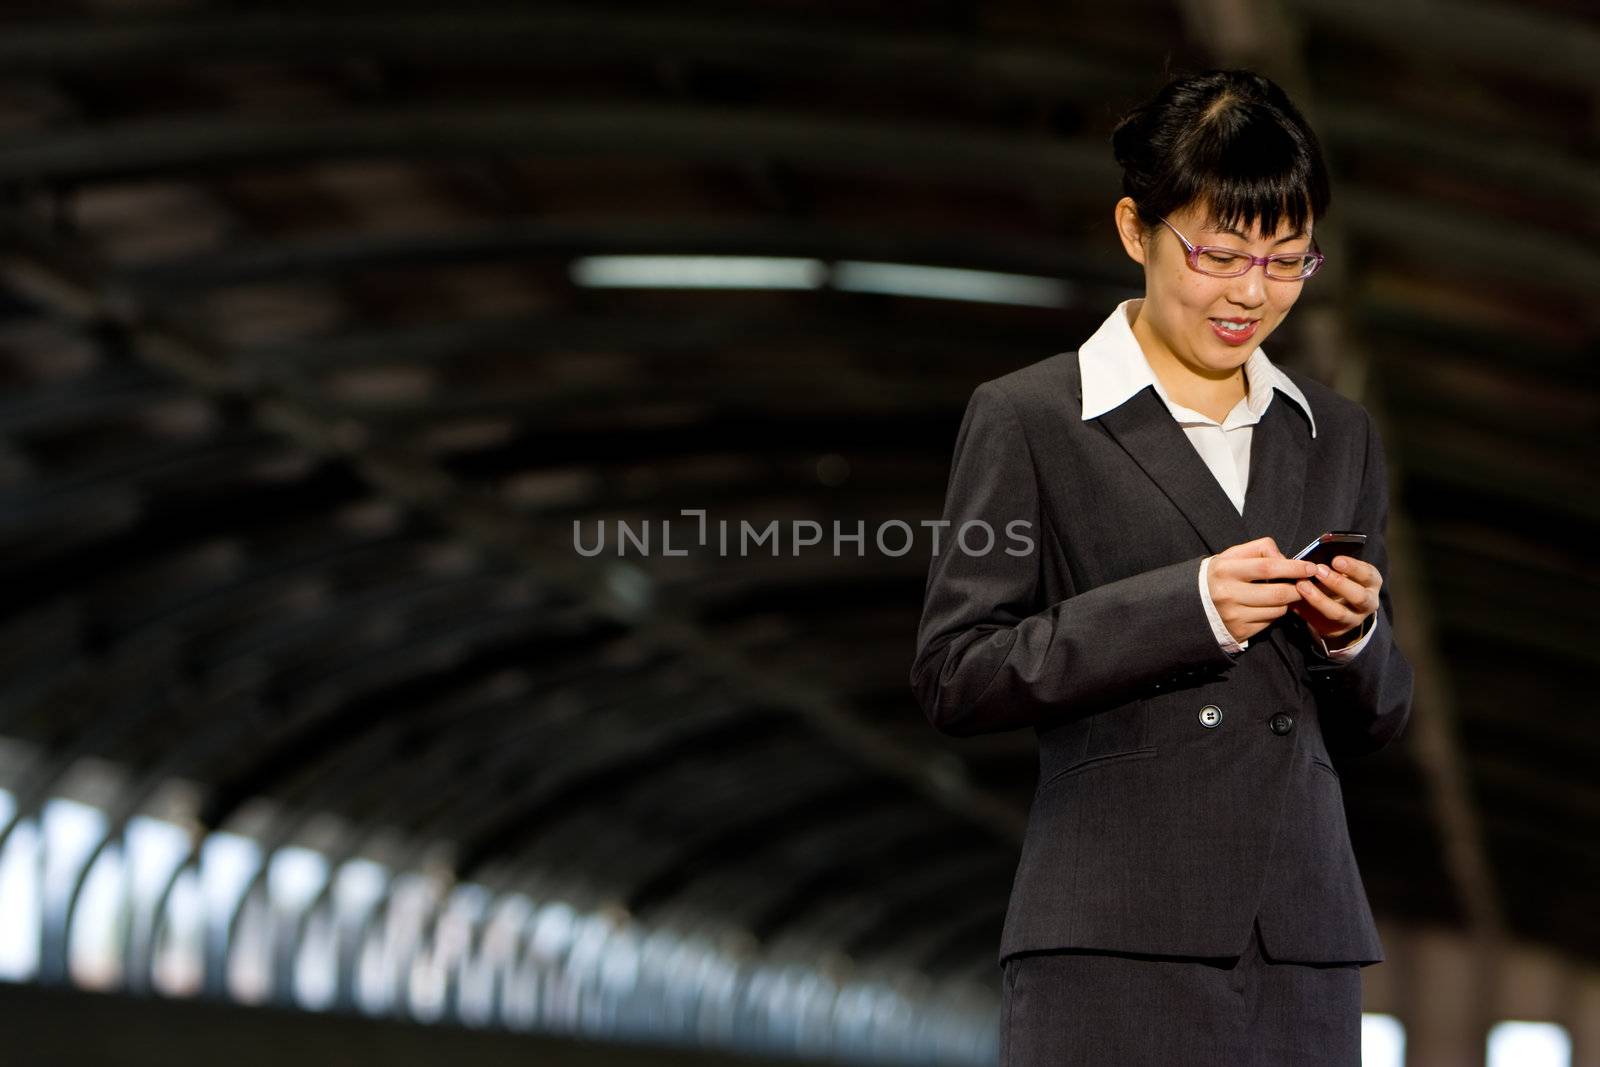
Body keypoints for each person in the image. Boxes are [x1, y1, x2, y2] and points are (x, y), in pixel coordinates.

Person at [909, 68, 1414, 1066]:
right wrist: (1185, 608)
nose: (1249, 292)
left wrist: (1353, 635)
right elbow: (955, 671)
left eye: (1284, 260)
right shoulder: (1030, 417)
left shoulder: (1336, 435)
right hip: (1112, 934)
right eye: (1219, 253)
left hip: (1301, 944)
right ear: (1134, 231)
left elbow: (1380, 716)